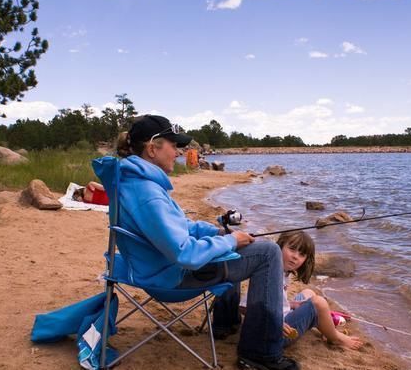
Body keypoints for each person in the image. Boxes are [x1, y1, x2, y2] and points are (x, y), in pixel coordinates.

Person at [114, 114, 300, 370]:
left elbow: (181, 228)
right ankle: (260, 354)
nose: (179, 153)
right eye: (174, 145)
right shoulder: (149, 194)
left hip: (153, 269)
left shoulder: (136, 183)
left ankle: (227, 323)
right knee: (268, 252)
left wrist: (217, 234)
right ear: (152, 148)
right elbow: (185, 254)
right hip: (171, 278)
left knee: (238, 245)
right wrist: (232, 241)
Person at [248, 231, 364, 350]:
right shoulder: (270, 273)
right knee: (319, 303)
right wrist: (274, 320)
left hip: (281, 317)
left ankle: (327, 328)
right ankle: (335, 338)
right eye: (292, 249)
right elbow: (245, 307)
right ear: (280, 246)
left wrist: (291, 304)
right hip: (277, 331)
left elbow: (270, 299)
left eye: (301, 254)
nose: (295, 256)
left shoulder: (282, 272)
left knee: (308, 293)